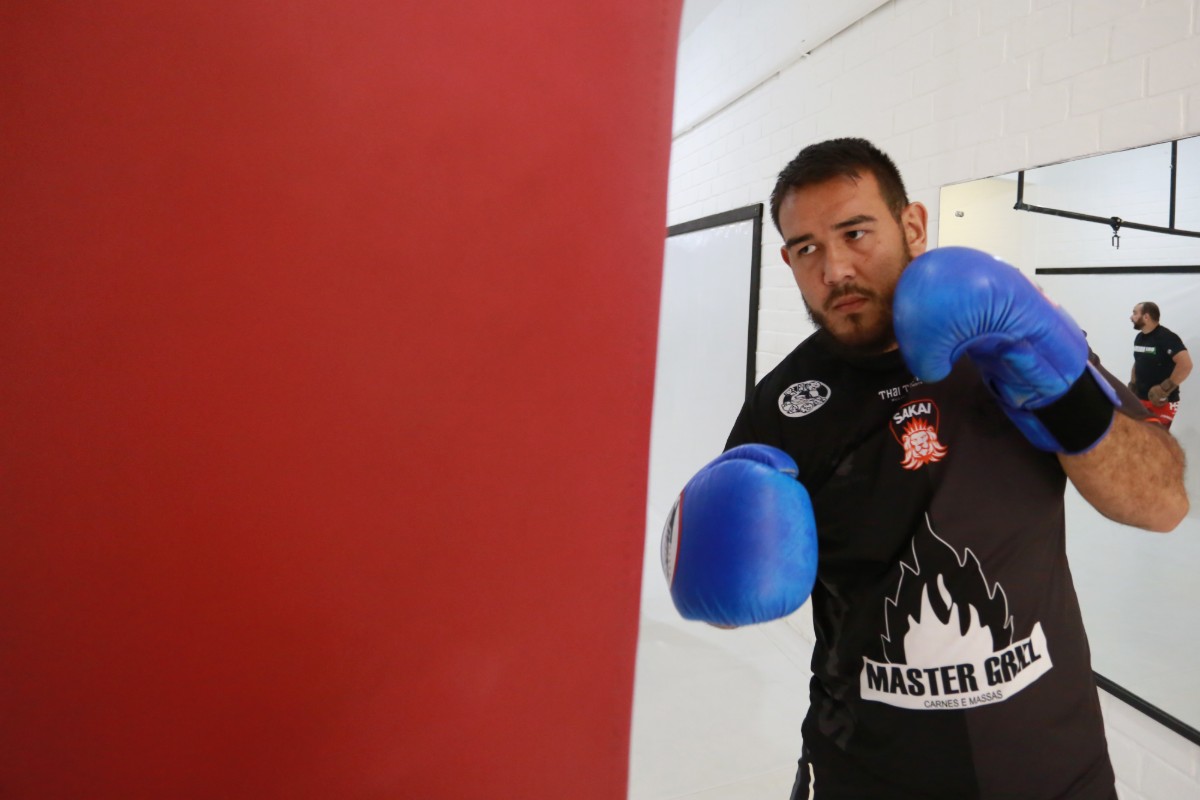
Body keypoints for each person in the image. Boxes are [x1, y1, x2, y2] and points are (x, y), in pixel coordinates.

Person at [662, 138, 1188, 799]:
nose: (834, 268)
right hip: (864, 773)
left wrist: (1061, 396)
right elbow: (725, 602)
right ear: (789, 261)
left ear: (912, 225)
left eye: (855, 233)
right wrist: (714, 561)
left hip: (1054, 768)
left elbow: (1164, 505)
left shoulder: (1013, 342)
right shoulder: (785, 404)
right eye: (807, 248)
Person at [1129, 301, 1192, 428]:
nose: (1131, 317)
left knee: (1155, 439)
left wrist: (1164, 390)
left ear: (1146, 316)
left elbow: (1185, 364)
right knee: (1138, 437)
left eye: (1135, 313)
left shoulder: (1167, 337)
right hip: (1141, 399)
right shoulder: (1139, 338)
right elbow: (1138, 361)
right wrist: (1133, 383)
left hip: (1162, 402)